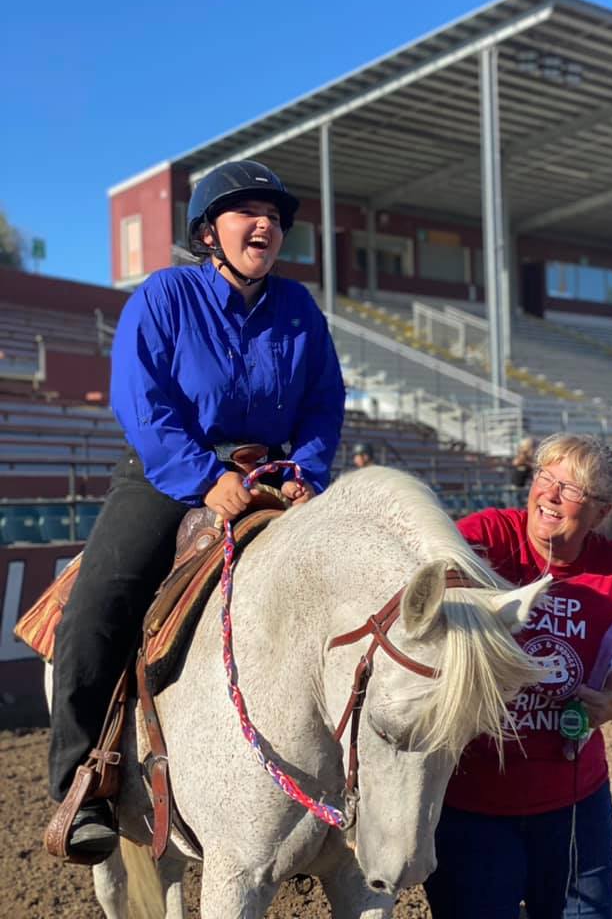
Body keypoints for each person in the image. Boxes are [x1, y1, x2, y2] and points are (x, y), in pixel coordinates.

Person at [49, 159, 346, 860]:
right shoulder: (163, 296)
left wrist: (308, 470)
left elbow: (324, 401)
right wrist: (203, 476)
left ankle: (352, 780)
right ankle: (79, 783)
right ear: (209, 231)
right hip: (168, 475)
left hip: (275, 477)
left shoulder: (300, 309)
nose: (265, 223)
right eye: (246, 211)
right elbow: (143, 403)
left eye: (273, 215)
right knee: (99, 603)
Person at [425, 433, 612, 919]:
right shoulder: (491, 534)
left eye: (572, 489)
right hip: (471, 803)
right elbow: (430, 568)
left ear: (600, 513)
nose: (552, 495)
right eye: (547, 477)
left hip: (576, 803)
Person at [510, 435, 535, 505]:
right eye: (532, 447)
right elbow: (516, 463)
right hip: (518, 488)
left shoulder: (528, 460)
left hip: (522, 488)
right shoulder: (522, 458)